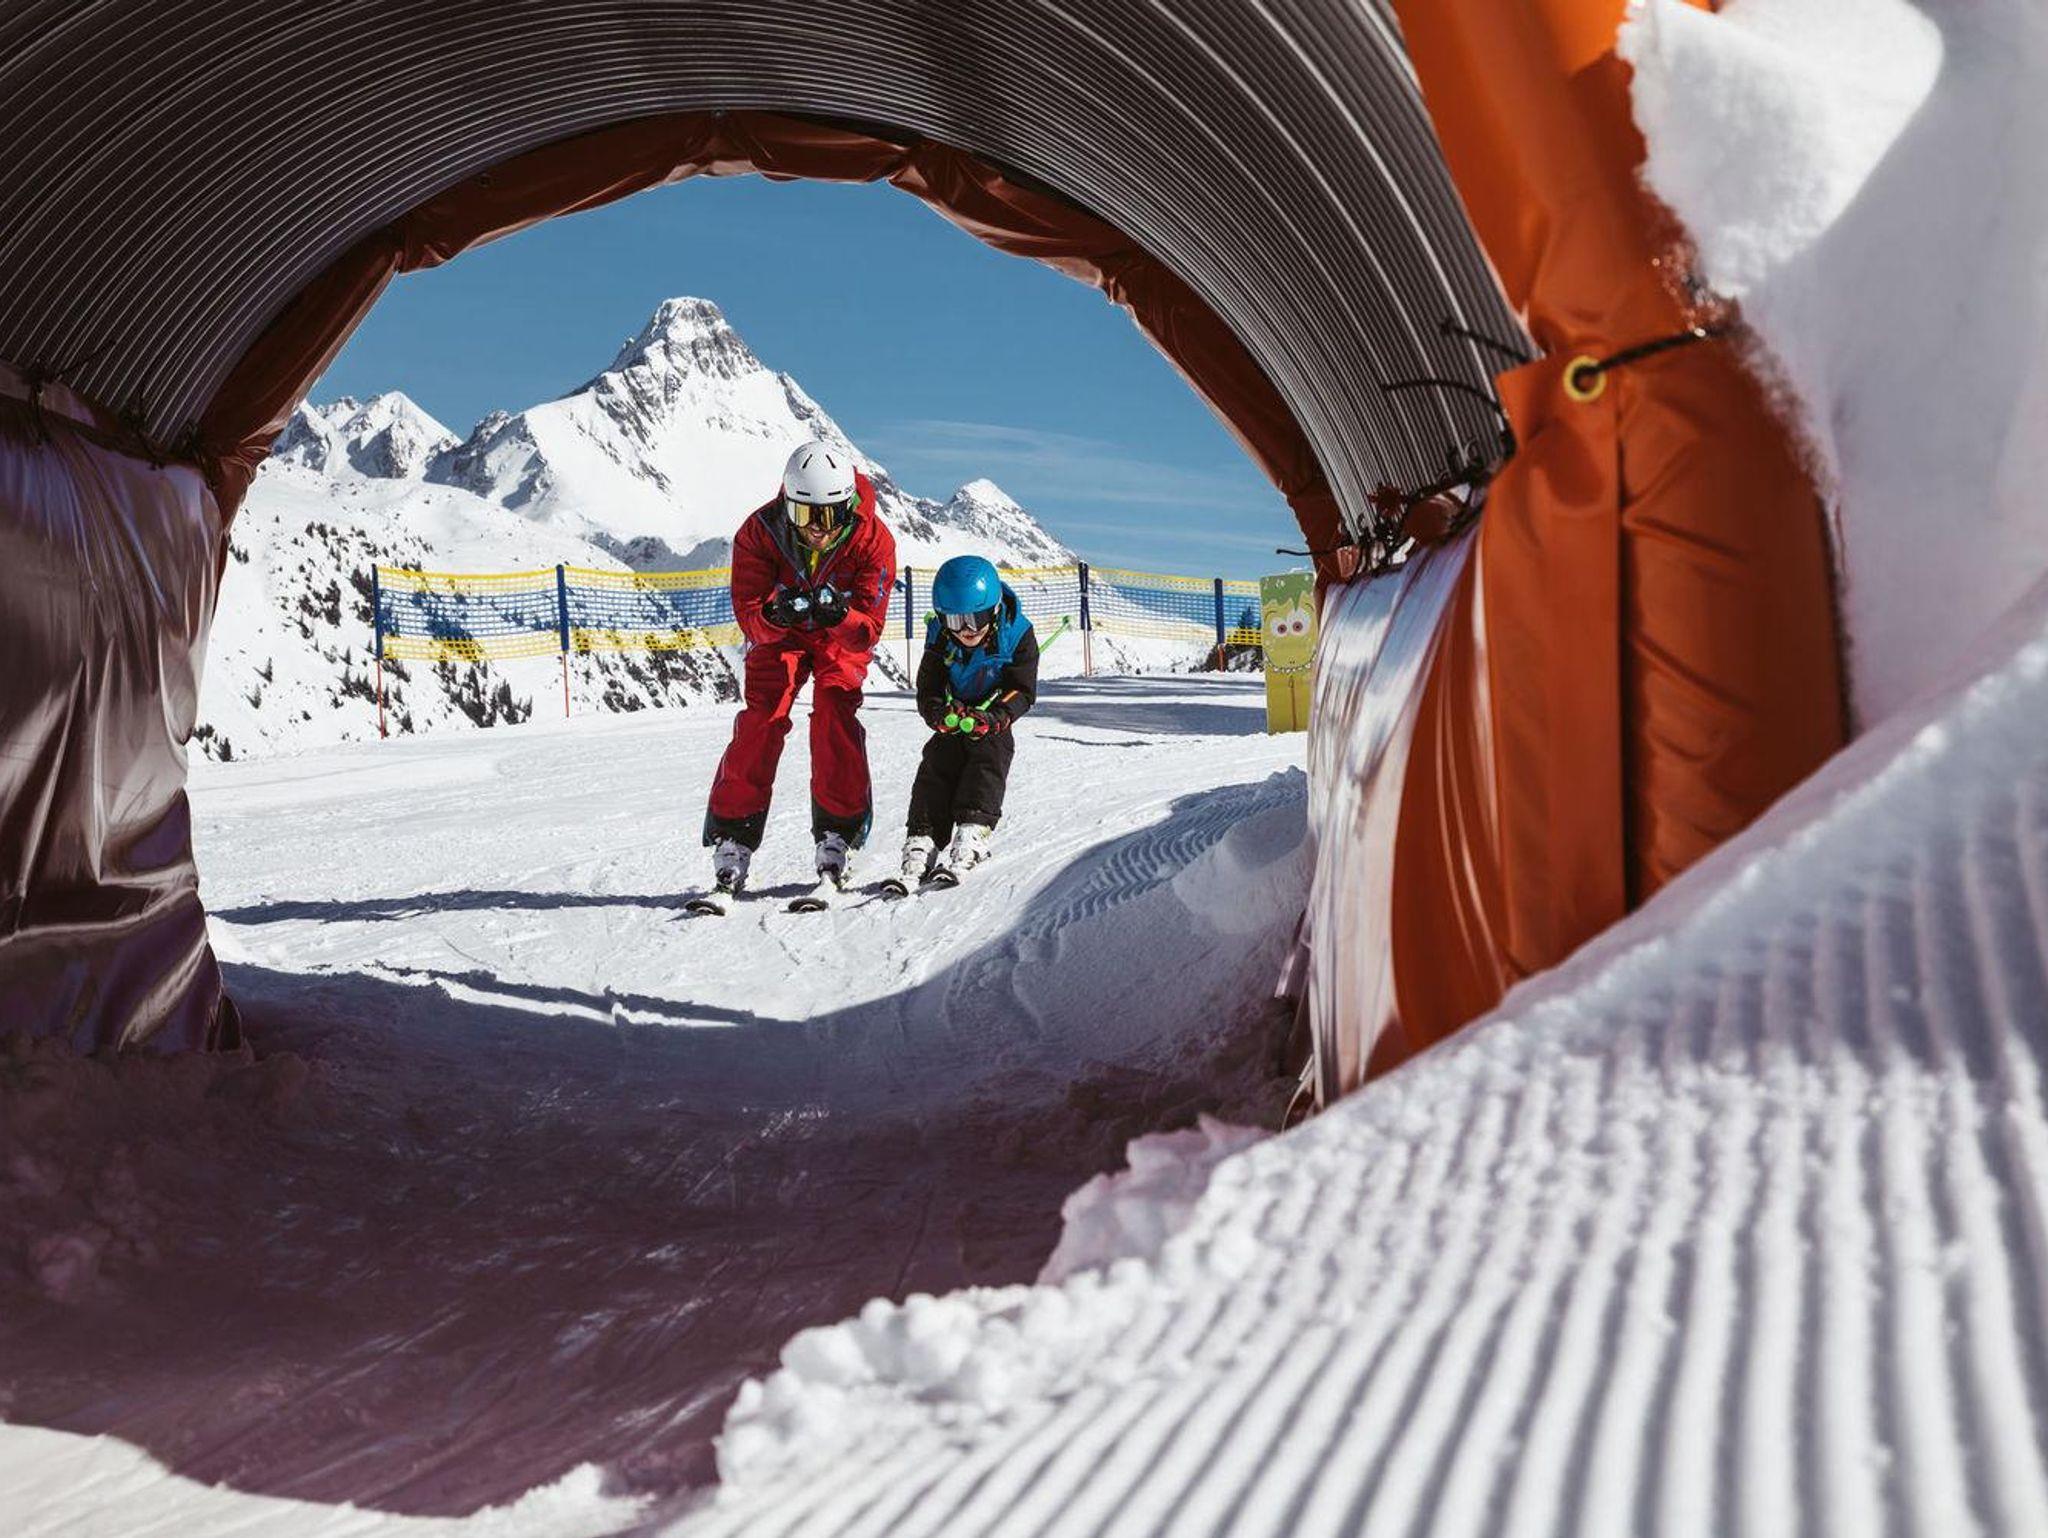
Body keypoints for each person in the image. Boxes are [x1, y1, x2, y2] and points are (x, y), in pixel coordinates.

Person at [704, 440, 897, 892]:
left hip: (837, 636)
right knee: (763, 718)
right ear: (787, 504)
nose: (816, 529)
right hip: (783, 637)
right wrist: (774, 615)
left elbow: (867, 631)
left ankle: (839, 831)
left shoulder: (873, 540)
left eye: (828, 517)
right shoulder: (759, 533)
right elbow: (749, 615)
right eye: (804, 514)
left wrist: (840, 616)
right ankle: (734, 834)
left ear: (847, 507)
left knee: (833, 710)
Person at [899, 554, 1040, 885]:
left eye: (976, 619)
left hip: (993, 713)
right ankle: (923, 837)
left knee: (990, 752)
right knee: (938, 758)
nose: (966, 630)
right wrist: (939, 713)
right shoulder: (940, 635)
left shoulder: (1018, 634)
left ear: (993, 610)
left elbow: (1022, 690)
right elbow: (929, 687)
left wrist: (996, 716)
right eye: (955, 620)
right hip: (956, 711)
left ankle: (973, 831)